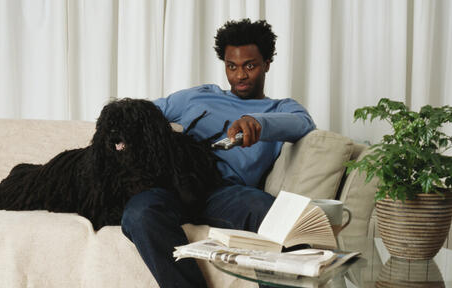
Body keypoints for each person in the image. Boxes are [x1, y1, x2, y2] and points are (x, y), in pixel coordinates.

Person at [121, 18, 316, 288]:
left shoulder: (279, 108)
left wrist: (258, 122)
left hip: (224, 192)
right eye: (231, 66)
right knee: (139, 213)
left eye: (250, 65)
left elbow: (303, 124)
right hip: (174, 182)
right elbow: (141, 116)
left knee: (273, 212)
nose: (240, 75)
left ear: (267, 64)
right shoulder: (199, 96)